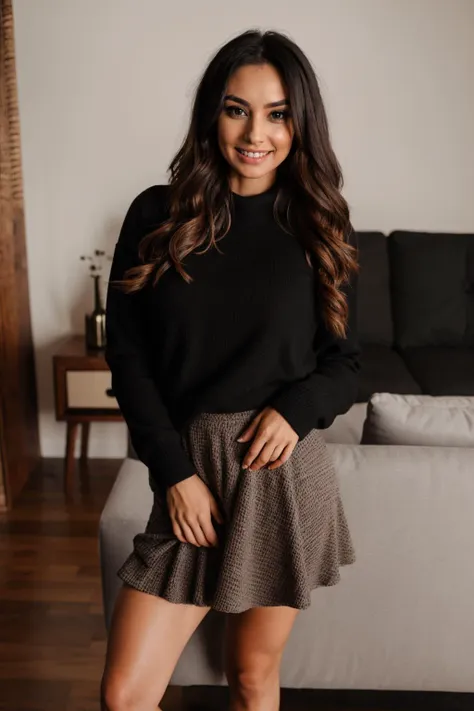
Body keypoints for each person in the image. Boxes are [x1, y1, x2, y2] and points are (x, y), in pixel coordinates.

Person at [100, 28, 361, 711]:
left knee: (250, 676)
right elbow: (127, 358)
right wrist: (174, 473)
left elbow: (345, 364)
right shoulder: (156, 215)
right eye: (236, 107)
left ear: (300, 123)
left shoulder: (317, 224)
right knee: (126, 694)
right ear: (210, 113)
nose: (256, 132)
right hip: (188, 472)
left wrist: (295, 409)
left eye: (277, 113)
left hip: (280, 478)